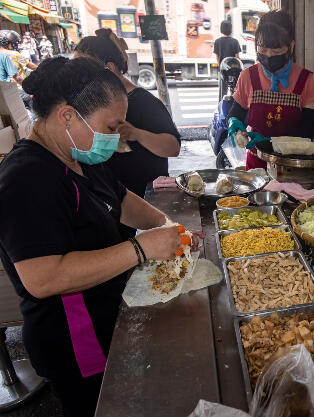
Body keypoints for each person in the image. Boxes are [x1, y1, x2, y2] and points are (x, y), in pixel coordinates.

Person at [0, 56, 194, 416]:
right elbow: (43, 278)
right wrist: (139, 249)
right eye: (111, 125)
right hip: (76, 343)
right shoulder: (25, 179)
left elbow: (120, 201)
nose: (116, 135)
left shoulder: (79, 157)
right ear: (68, 116)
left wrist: (169, 226)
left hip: (111, 317)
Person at [74, 28, 181, 233]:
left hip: (144, 200)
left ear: (109, 68)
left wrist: (136, 133)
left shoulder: (144, 102)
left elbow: (173, 147)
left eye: (85, 69)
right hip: (111, 200)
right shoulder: (89, 104)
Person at [226, 10, 314, 170]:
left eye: (276, 52)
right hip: (256, 167)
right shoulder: (248, 76)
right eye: (262, 50)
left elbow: (307, 134)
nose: (268, 56)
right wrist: (233, 122)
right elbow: (236, 113)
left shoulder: (305, 81)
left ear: (291, 47)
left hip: (292, 168)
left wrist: (270, 143)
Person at [0, 30, 37, 109]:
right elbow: (18, 76)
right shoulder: (13, 54)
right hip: (18, 89)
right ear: (6, 43)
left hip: (4, 92)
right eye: (12, 43)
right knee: (35, 113)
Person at [214, 20, 241, 100]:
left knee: (222, 91)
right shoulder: (235, 42)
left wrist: (220, 67)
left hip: (223, 70)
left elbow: (217, 57)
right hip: (234, 71)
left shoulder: (217, 41)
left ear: (221, 29)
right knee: (235, 90)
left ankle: (221, 107)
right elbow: (237, 57)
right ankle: (234, 107)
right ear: (230, 29)